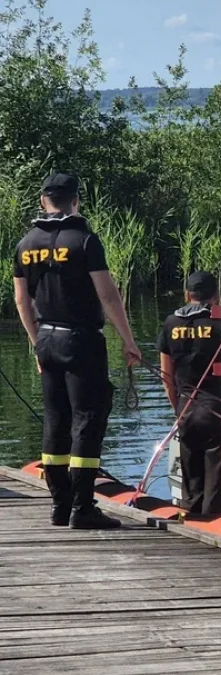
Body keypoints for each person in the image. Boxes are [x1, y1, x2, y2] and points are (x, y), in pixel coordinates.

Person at [13, 173, 141, 529]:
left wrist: (36, 341)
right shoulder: (84, 240)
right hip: (81, 339)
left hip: (47, 339)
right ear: (76, 201)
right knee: (87, 418)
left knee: (56, 420)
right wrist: (129, 341)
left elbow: (21, 299)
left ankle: (59, 505)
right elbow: (107, 294)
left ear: (43, 202)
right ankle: (83, 508)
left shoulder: (26, 243)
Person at [158, 271, 221, 515]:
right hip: (215, 406)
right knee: (215, 475)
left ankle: (192, 516)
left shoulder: (170, 323)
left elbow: (167, 375)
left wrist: (177, 407)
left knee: (190, 475)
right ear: (215, 295)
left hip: (185, 405)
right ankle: (213, 522)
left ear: (187, 294)